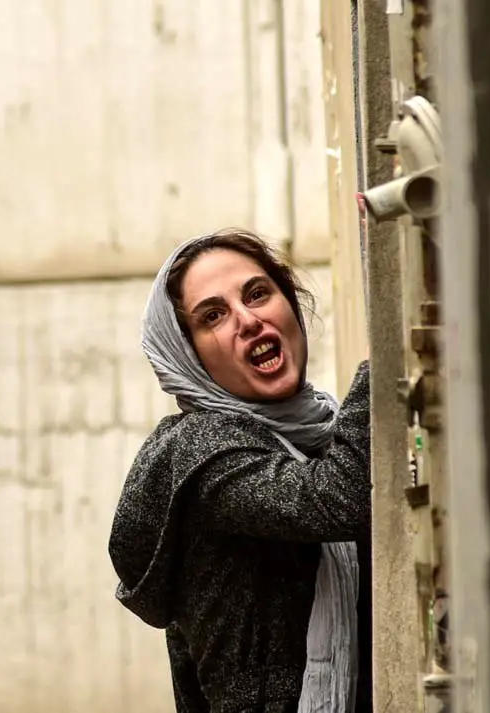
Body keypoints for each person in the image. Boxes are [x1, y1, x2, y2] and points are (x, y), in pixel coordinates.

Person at [108, 228, 372, 713]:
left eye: (257, 294)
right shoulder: (200, 451)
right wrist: (392, 349)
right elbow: (339, 499)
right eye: (213, 316)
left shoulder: (323, 430)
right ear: (189, 356)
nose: (248, 321)